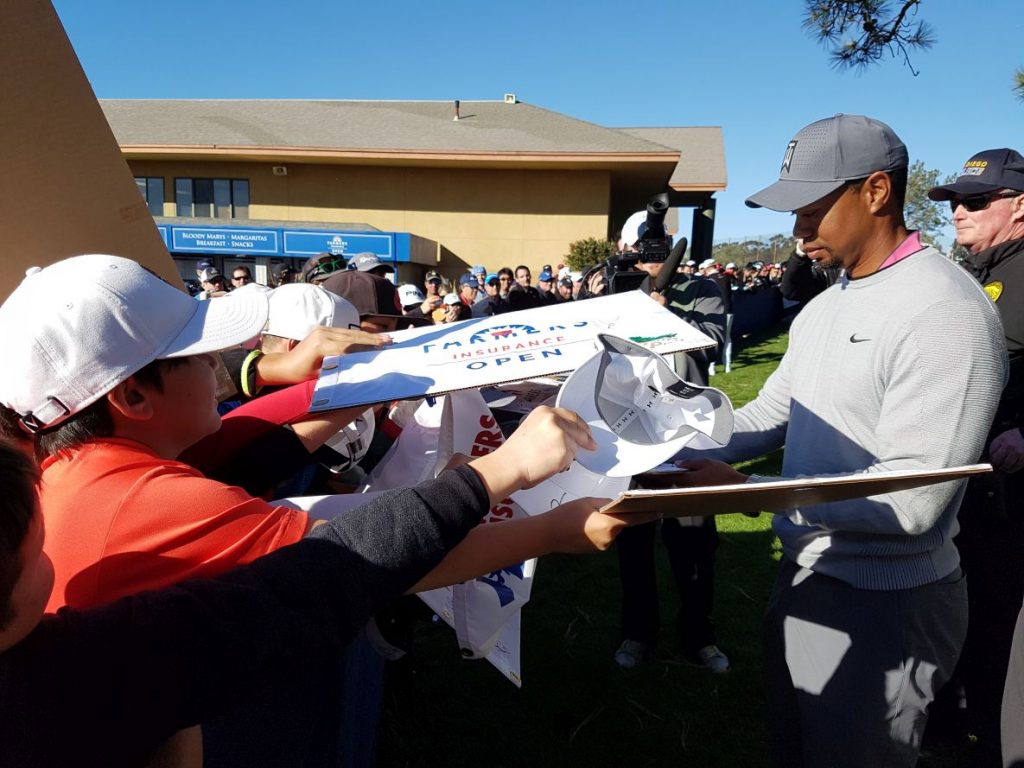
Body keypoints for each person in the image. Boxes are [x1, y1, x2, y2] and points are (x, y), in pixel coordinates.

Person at [0, 253, 642, 767]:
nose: (221, 372)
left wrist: (353, 394)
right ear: (135, 395)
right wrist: (530, 502)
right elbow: (363, 560)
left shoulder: (72, 471)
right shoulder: (152, 500)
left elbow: (240, 446)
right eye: (198, 357)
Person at [674, 115, 1007, 767]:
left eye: (811, 209)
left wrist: (749, 494)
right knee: (799, 745)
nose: (797, 231)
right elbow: (772, 413)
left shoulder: (947, 312)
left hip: (889, 607)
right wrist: (662, 436)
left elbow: (913, 505)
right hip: (806, 579)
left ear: (877, 191)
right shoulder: (828, 305)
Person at [927, 149, 1024, 767]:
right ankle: (945, 726)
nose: (959, 211)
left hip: (1012, 487)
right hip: (958, 479)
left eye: (976, 200)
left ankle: (993, 741)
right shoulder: (961, 273)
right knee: (951, 608)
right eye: (955, 201)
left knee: (1000, 622)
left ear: (1019, 206)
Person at [610, 217, 730, 674]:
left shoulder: (703, 289)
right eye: (644, 249)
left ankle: (700, 636)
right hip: (633, 433)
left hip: (688, 434)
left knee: (695, 545)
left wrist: (665, 316)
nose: (651, 259)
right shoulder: (617, 291)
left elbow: (714, 343)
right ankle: (638, 633)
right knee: (634, 545)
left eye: (659, 250)